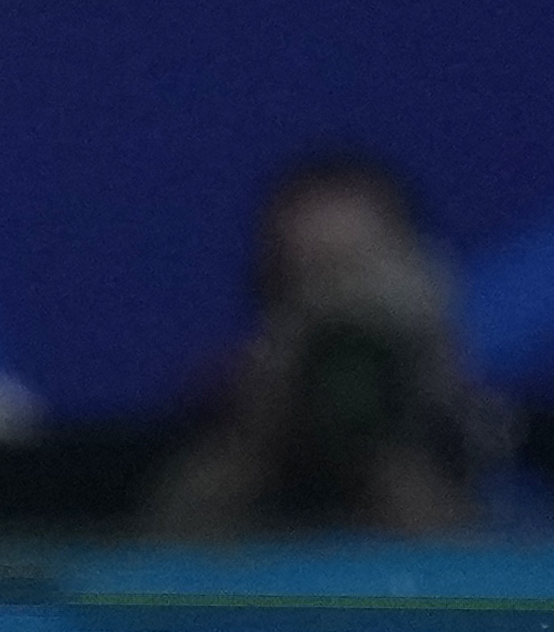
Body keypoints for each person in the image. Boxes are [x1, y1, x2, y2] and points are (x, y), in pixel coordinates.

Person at [143, 154, 504, 537]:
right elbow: (160, 560)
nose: (341, 311)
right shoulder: (211, 483)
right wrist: (260, 424)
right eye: (309, 280)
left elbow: (461, 569)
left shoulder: (512, 499)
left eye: (362, 276)